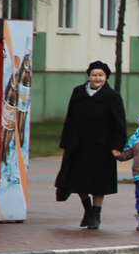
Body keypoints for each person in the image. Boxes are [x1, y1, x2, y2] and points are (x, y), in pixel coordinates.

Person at [54, 61, 128, 230]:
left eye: (101, 75)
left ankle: (96, 214)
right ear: (89, 75)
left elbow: (120, 123)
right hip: (78, 145)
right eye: (94, 75)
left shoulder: (112, 96)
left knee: (98, 182)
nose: (97, 78)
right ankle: (87, 208)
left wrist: (118, 145)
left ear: (106, 77)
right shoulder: (78, 92)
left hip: (101, 147)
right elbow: (70, 118)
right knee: (76, 180)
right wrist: (66, 143)